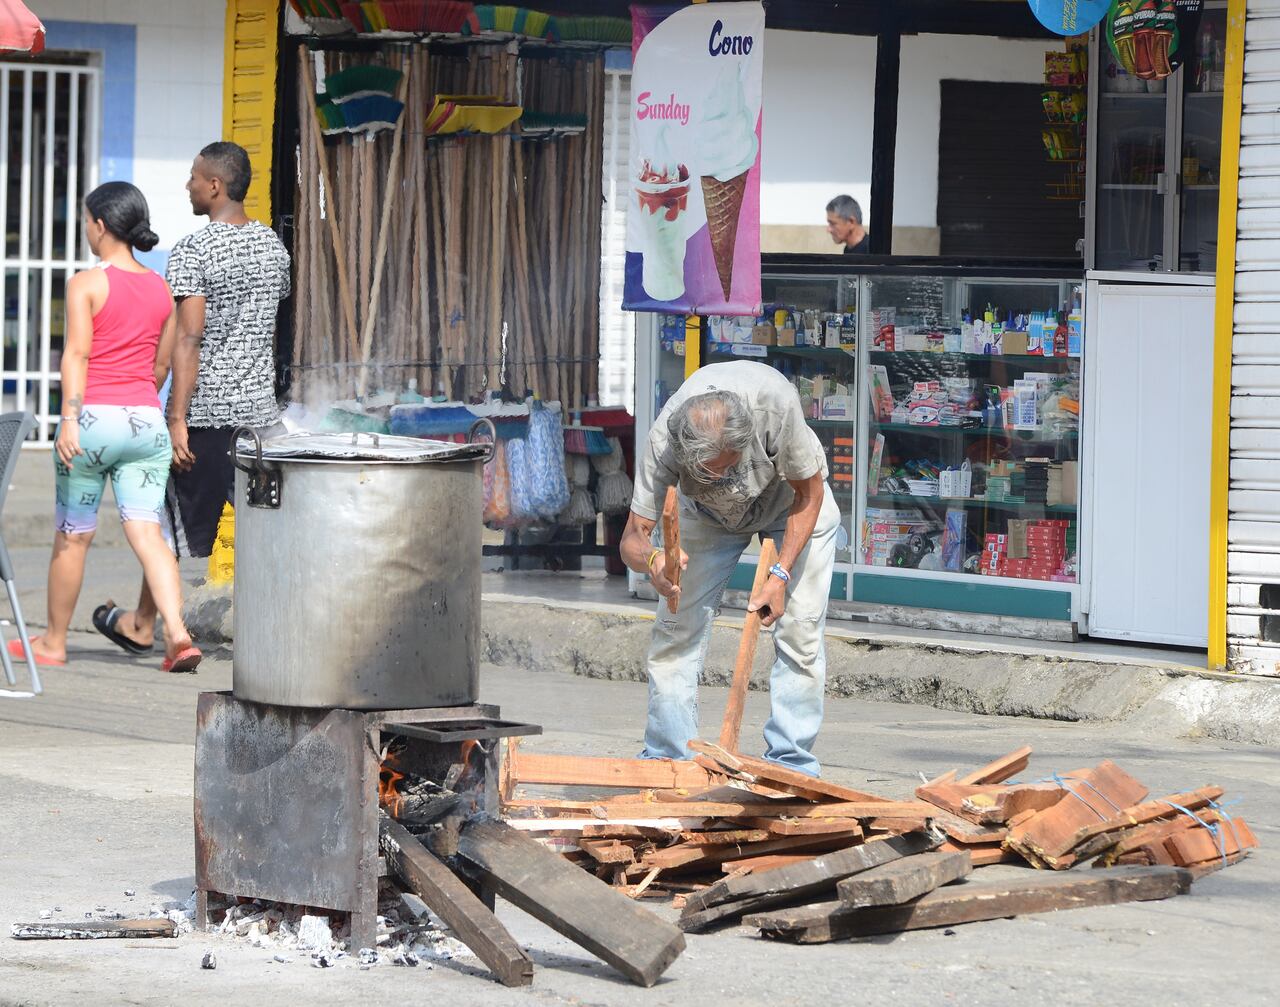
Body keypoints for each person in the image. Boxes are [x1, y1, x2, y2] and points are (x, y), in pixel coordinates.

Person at [93, 142, 291, 655]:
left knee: (163, 528)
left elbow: (188, 338)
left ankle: (144, 624)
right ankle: (274, 632)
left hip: (206, 416)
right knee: (265, 530)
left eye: (194, 177)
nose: (188, 185)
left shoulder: (195, 250)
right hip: (262, 418)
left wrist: (176, 417)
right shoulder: (273, 246)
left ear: (215, 187)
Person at [11, 182, 202, 673]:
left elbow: (76, 354)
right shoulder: (160, 289)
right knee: (148, 534)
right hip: (145, 423)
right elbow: (161, 365)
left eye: (85, 221)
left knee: (73, 535)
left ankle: (53, 643)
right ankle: (177, 634)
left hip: (94, 421)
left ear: (99, 225)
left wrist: (70, 420)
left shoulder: (86, 284)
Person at [620, 361, 841, 776]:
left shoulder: (774, 405)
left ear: (743, 444)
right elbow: (632, 538)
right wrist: (654, 561)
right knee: (674, 631)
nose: (719, 477)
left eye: (726, 466)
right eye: (707, 472)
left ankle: (791, 765)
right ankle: (671, 759)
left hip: (791, 504)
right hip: (703, 517)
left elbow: (809, 495)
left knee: (801, 631)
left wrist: (781, 574)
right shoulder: (664, 442)